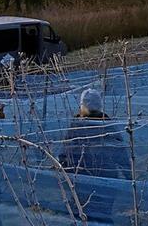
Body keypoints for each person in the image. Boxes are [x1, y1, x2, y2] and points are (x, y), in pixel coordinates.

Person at [58, 89, 127, 222]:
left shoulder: (77, 126)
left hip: (82, 181)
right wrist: (129, 176)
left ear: (82, 106)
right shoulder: (107, 125)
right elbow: (121, 155)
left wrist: (65, 174)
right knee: (101, 217)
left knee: (81, 215)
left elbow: (64, 155)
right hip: (103, 182)